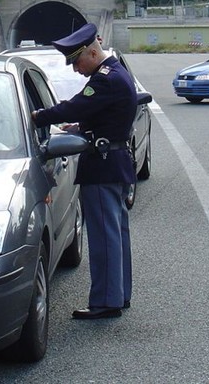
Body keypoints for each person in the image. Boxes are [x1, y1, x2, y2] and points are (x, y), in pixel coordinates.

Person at [31, 23, 137, 319]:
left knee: (104, 237)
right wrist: (81, 128)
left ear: (92, 52)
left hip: (102, 166)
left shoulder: (103, 81)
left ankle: (105, 302)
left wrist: (37, 116)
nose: (76, 70)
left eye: (77, 61)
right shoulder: (116, 73)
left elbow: (75, 106)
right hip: (113, 161)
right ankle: (119, 294)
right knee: (115, 234)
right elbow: (105, 115)